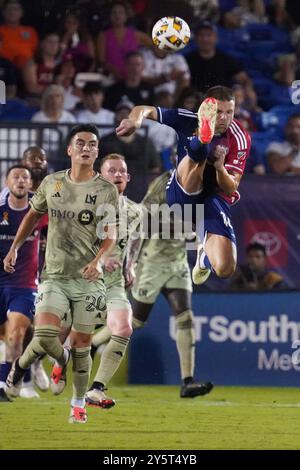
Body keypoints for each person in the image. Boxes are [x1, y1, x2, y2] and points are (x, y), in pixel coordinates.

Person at [3, 124, 119, 424]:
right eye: (80, 143)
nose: (86, 148)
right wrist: (15, 247)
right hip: (54, 275)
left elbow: (110, 236)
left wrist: (97, 260)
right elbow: (32, 215)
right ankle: (26, 366)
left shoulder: (105, 189)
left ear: (96, 151)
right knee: (43, 334)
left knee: (82, 344)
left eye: (92, 144)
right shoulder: (52, 183)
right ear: (69, 150)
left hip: (88, 279)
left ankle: (78, 403)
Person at [116, 85, 251, 285]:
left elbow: (231, 188)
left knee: (225, 268)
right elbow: (144, 109)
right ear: (206, 109)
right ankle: (201, 141)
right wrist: (135, 120)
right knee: (198, 156)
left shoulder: (239, 137)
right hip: (183, 190)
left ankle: (204, 257)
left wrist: (221, 169)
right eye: (219, 112)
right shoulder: (187, 118)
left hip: (214, 197)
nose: (224, 118)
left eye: (229, 112)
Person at [129, 170, 213, 398]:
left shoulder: (206, 181)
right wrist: (131, 261)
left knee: (185, 319)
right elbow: (142, 215)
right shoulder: (164, 182)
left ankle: (188, 381)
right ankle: (95, 343)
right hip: (152, 261)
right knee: (134, 322)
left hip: (178, 262)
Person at [85, 153, 143, 408]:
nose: (118, 175)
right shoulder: (87, 207)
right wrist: (98, 259)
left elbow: (137, 239)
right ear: (101, 176)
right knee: (55, 337)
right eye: (112, 170)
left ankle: (96, 389)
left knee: (123, 328)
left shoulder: (135, 211)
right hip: (81, 279)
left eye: (122, 171)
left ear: (128, 178)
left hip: (113, 281)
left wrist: (131, 265)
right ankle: (22, 373)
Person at [0, 165, 43, 402]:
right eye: (15, 177)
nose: (20, 181)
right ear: (7, 183)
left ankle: (5, 385)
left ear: (30, 184)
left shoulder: (40, 213)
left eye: (24, 178)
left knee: (16, 334)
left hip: (24, 284)